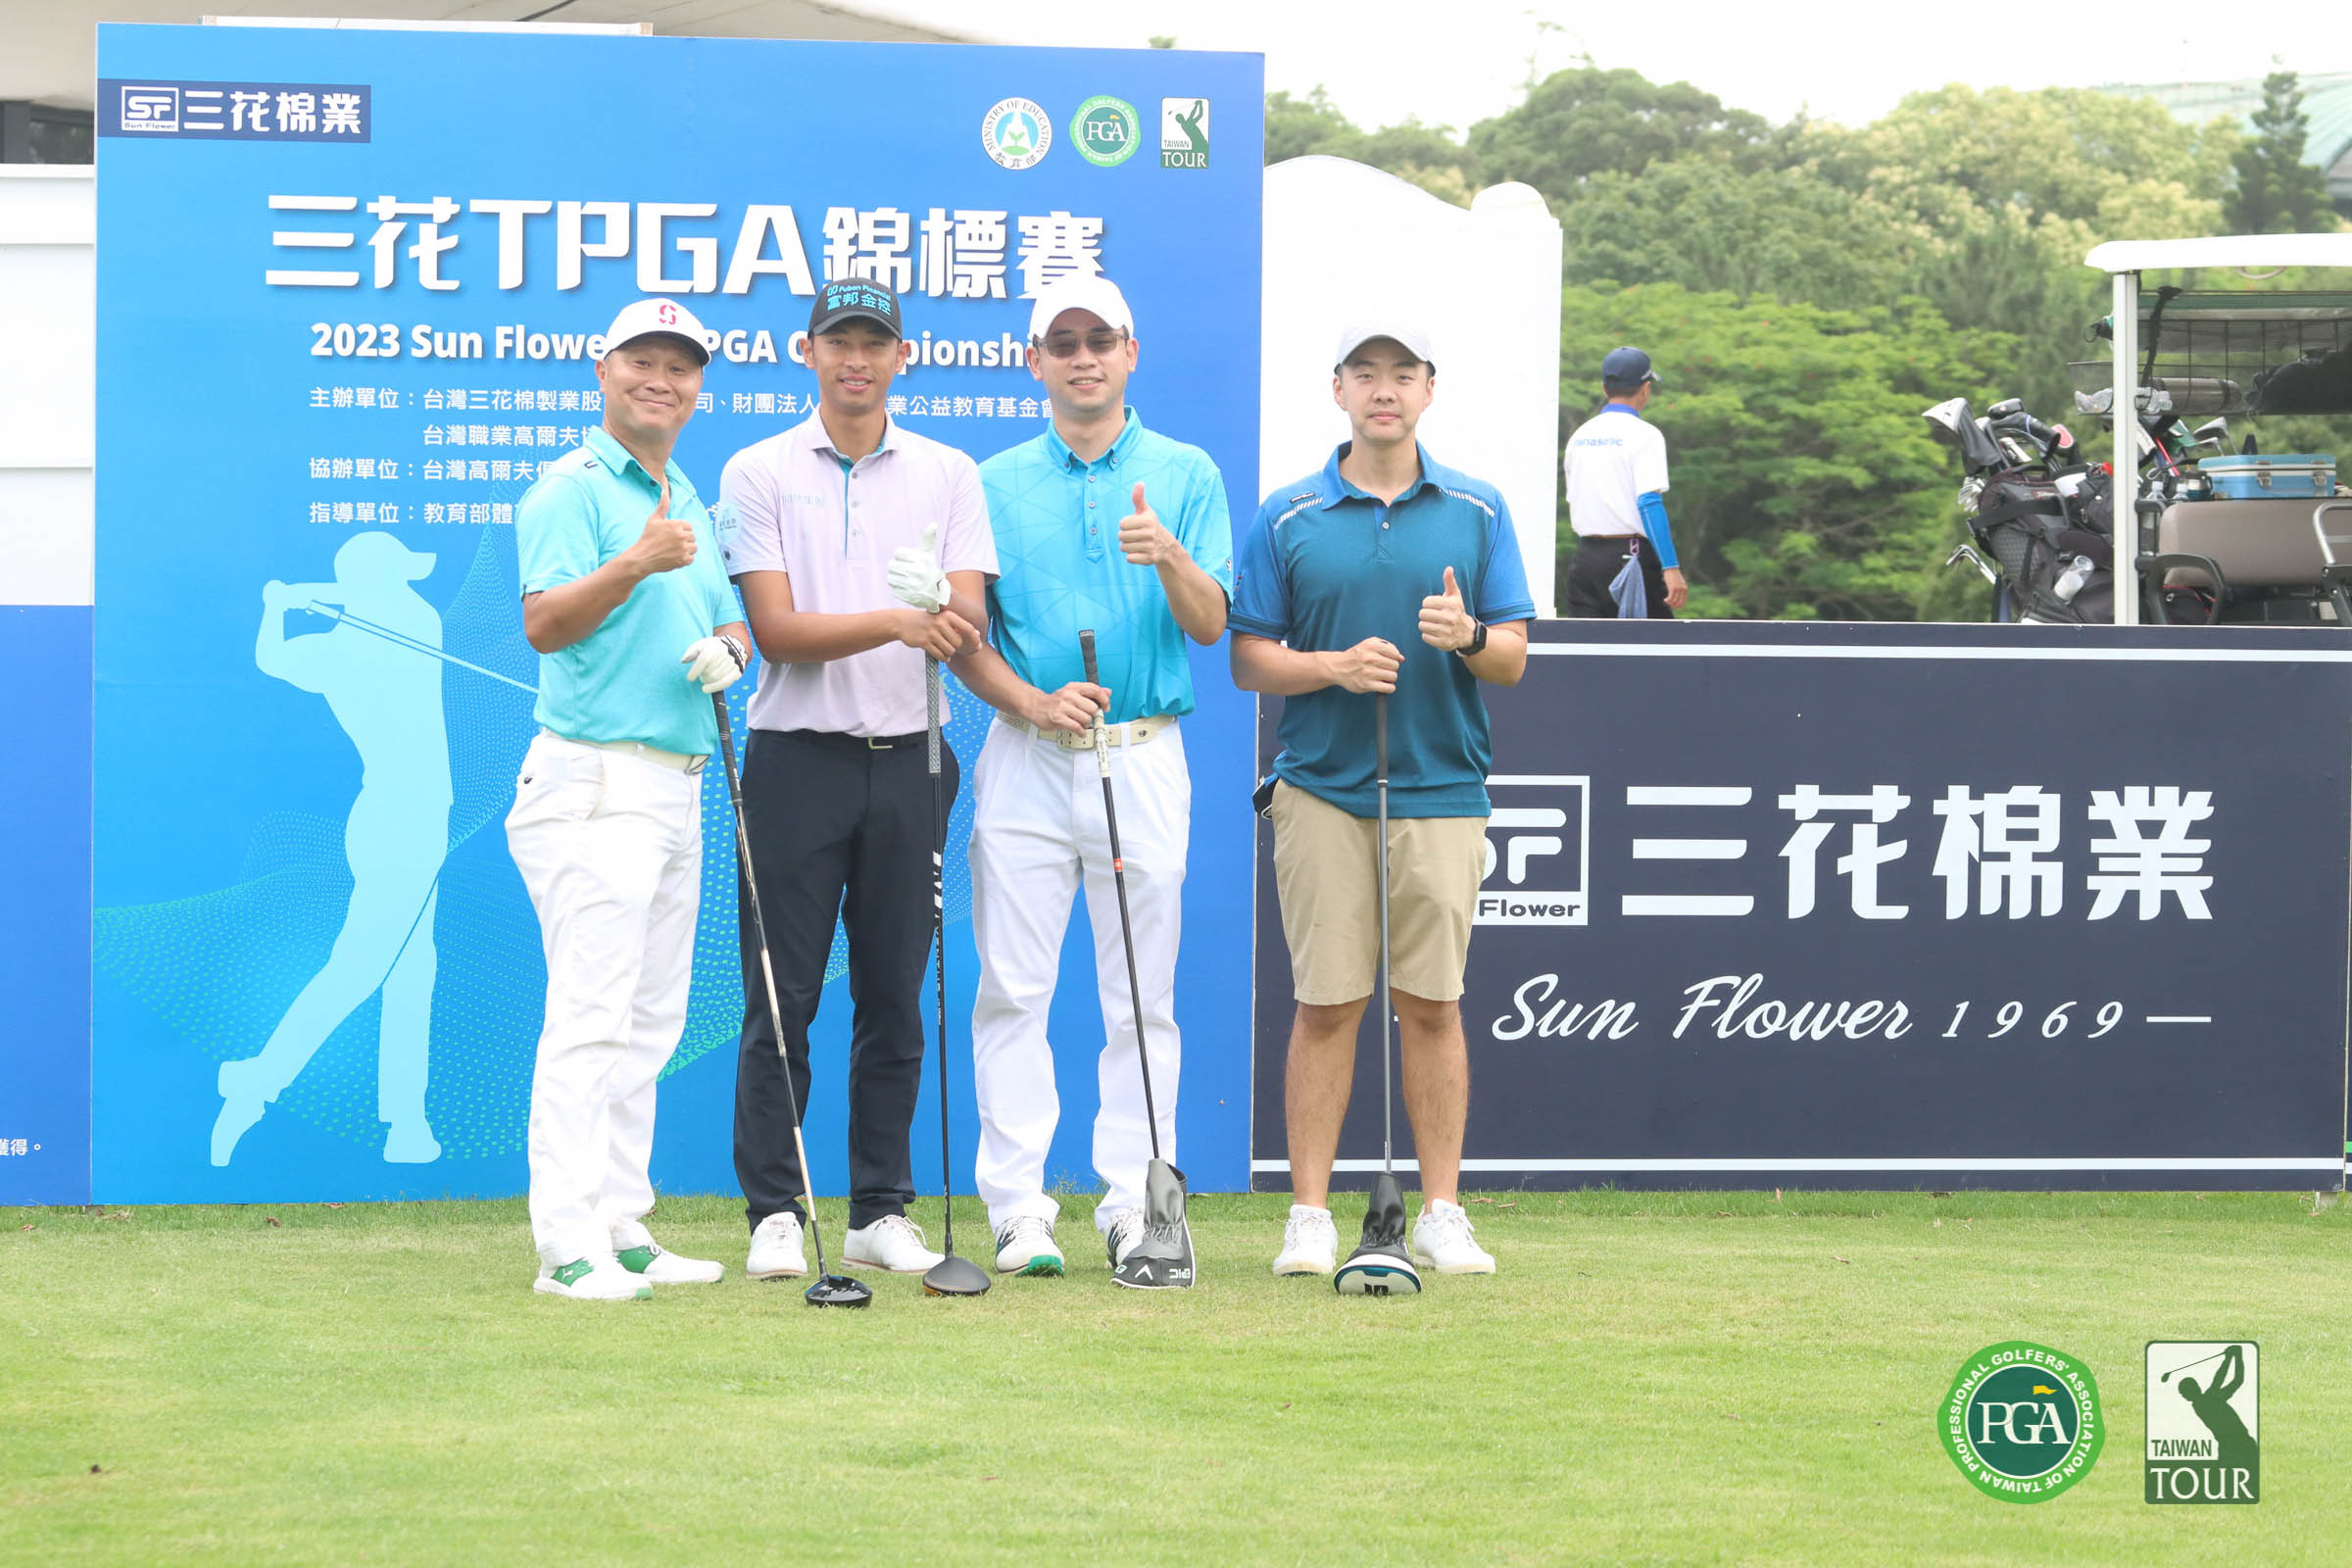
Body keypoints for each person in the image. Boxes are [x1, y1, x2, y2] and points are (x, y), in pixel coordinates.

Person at [938, 274, 1232, 1279]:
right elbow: (963, 637)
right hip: (1027, 755)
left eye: (1099, 339)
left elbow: (1209, 623)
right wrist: (1031, 702)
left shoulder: (1185, 471)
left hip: (1141, 753)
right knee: (1012, 991)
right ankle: (1017, 1210)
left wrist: (1170, 557)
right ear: (1035, 362)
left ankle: (1140, 1210)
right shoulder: (988, 481)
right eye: (1061, 343)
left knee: (1142, 999)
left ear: (1129, 351)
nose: (1082, 358)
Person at [1230, 318, 1535, 1279]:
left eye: (1403, 373)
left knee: (1433, 1004)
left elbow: (1513, 658)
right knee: (1326, 1004)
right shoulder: (1289, 514)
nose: (1384, 389)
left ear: (1429, 389)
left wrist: (1467, 635)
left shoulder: (1478, 509)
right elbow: (1248, 659)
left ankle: (1442, 1211)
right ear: (1339, 391)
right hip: (1322, 788)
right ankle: (1309, 1216)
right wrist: (1331, 666)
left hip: (1443, 789)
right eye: (1365, 373)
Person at [717, 277, 998, 1283]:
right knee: (781, 996)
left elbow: (967, 620)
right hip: (796, 761)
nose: (856, 359)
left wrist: (939, 614)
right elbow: (778, 632)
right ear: (809, 352)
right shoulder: (758, 469)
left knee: (895, 996)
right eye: (839, 341)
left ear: (901, 358)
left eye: (875, 343)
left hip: (912, 759)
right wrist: (897, 617)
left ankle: (881, 1208)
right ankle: (776, 1209)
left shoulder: (948, 472)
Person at [506, 298, 748, 1301]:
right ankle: (567, 1247)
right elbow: (545, 623)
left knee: (650, 1019)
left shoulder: (686, 492)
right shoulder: (571, 487)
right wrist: (635, 562)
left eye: (680, 367)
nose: (662, 380)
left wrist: (730, 649)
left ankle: (618, 1221)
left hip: (677, 783)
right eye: (642, 361)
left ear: (698, 388)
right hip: (596, 779)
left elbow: (731, 619)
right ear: (602, 371)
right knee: (591, 1016)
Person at [214, 531, 451, 1168]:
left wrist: (279, 605)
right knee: (363, 964)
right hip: (405, 820)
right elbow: (366, 604)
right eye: (397, 574)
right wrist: (305, 597)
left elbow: (273, 655)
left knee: (412, 970)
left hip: (396, 816)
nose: (409, 584)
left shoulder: (341, 646)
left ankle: (407, 1124)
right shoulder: (403, 624)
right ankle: (259, 1079)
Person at [1563, 346, 1686, 617]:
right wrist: (1670, 566)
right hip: (1631, 559)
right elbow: (1649, 503)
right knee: (1655, 643)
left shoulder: (1579, 437)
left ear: (1604, 388)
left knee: (1584, 643)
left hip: (1585, 561)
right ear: (1645, 389)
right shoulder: (1646, 435)